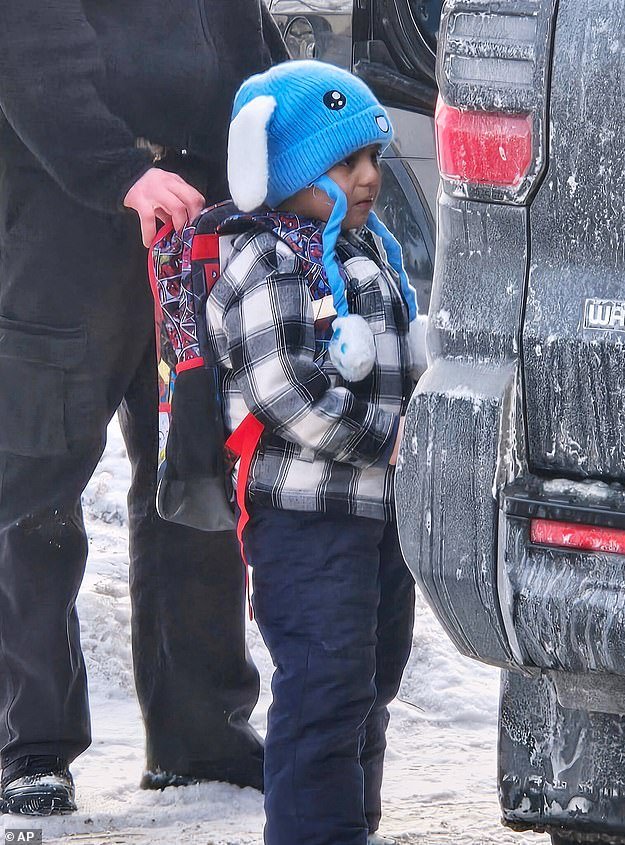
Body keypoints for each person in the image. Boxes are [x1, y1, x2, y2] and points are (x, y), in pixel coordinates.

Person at [0, 0, 288, 816]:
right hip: (66, 226)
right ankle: (30, 744)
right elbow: (26, 42)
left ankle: (201, 735)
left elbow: (251, 51)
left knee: (195, 472)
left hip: (199, 224)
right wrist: (118, 171)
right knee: (37, 481)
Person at [206, 60, 427, 845]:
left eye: (372, 157)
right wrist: (386, 441)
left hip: (377, 517)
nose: (368, 176)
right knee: (323, 690)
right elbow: (284, 390)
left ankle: (350, 827)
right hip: (304, 520)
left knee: (369, 686)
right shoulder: (266, 260)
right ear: (284, 168)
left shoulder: (372, 252)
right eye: (344, 162)